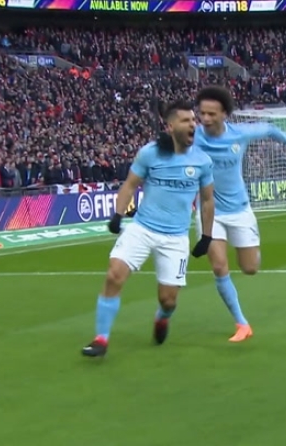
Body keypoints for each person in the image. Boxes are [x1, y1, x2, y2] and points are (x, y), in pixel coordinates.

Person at [82, 99, 216, 358]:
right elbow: (130, 184)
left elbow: (208, 199)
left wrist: (207, 236)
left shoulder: (202, 160)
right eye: (186, 120)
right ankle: (101, 338)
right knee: (114, 275)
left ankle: (162, 317)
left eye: (194, 120)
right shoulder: (150, 153)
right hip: (142, 228)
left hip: (175, 237)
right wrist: (118, 214)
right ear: (171, 126)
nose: (193, 125)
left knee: (168, 300)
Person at [192, 86, 286, 342]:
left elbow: (269, 128)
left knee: (249, 268)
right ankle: (242, 323)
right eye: (202, 113)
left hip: (239, 210)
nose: (205, 118)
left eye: (212, 114)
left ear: (224, 114)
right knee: (219, 265)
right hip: (210, 211)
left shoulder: (240, 134)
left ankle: (253, 249)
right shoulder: (193, 137)